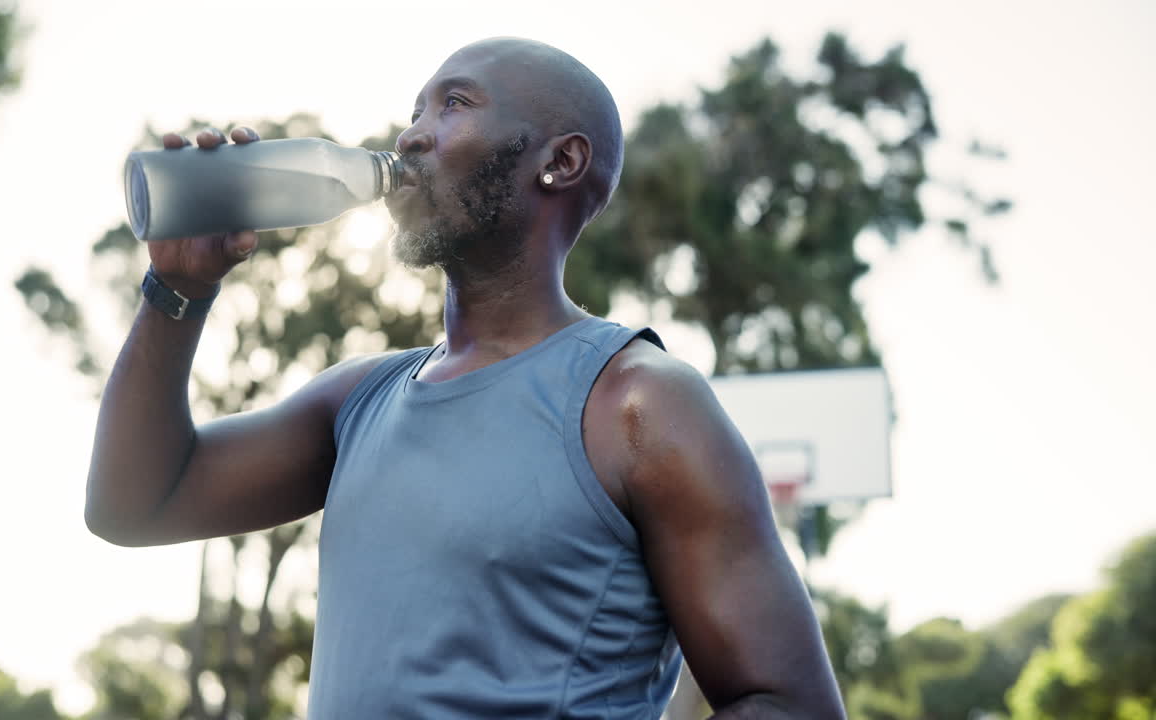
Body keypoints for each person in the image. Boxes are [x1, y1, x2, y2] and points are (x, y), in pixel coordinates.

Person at [87, 37, 846, 719]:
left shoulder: (639, 404)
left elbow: (788, 703)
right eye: (415, 108)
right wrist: (178, 292)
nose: (411, 133)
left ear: (561, 160)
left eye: (454, 104)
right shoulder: (359, 401)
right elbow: (133, 505)